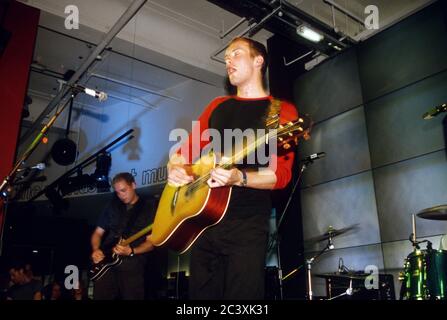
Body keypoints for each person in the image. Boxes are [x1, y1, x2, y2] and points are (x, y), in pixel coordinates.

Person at [167, 37, 298, 299]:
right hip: (204, 223)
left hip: (248, 223)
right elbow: (184, 152)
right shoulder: (218, 106)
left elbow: (281, 176)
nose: (228, 61)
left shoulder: (280, 111)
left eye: (236, 54)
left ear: (258, 60)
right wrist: (176, 167)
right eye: (226, 57)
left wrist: (240, 177)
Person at [91, 172, 155, 300]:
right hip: (106, 262)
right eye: (117, 192)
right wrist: (96, 249)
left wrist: (132, 251)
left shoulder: (149, 206)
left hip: (132, 264)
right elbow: (97, 233)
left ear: (134, 185)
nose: (121, 195)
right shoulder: (112, 206)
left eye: (124, 190)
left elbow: (151, 243)